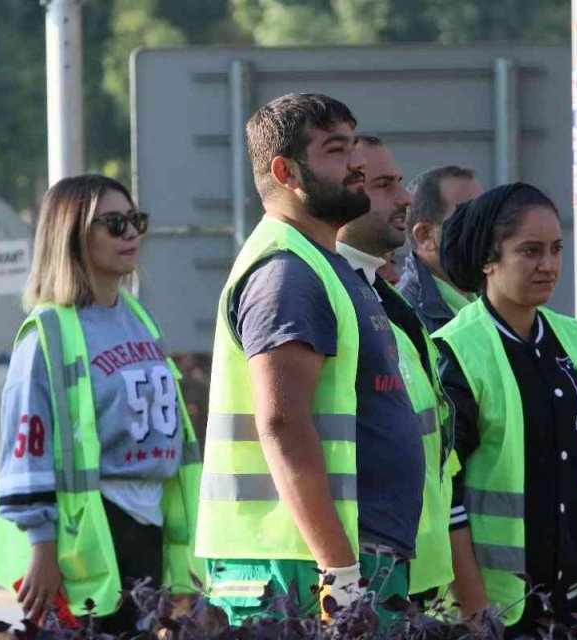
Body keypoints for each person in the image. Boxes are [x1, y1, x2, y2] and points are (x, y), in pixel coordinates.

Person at [196, 94, 425, 624]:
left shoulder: (326, 266)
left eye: (353, 146)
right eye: (335, 150)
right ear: (285, 170)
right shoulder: (288, 273)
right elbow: (282, 421)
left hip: (343, 561)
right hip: (302, 569)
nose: (358, 164)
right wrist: (339, 571)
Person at [432, 184, 577, 637]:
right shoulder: (456, 352)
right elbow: (444, 497)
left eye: (556, 249)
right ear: (488, 259)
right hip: (497, 613)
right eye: (530, 251)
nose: (549, 265)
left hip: (576, 605)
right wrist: (475, 613)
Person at [0, 175, 202, 630]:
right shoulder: (47, 333)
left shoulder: (138, 316)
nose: (132, 234)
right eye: (114, 223)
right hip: (90, 535)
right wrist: (42, 547)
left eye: (135, 220)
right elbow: (27, 446)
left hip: (150, 524)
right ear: (72, 234)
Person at [335, 135, 458, 603]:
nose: (404, 198)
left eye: (399, 183)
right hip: (368, 569)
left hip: (414, 573)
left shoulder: (386, 301)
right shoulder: (335, 296)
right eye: (383, 184)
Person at [398, 166, 484, 332]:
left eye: (486, 216)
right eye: (469, 218)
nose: (486, 229)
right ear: (425, 236)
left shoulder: (498, 301)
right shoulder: (404, 317)